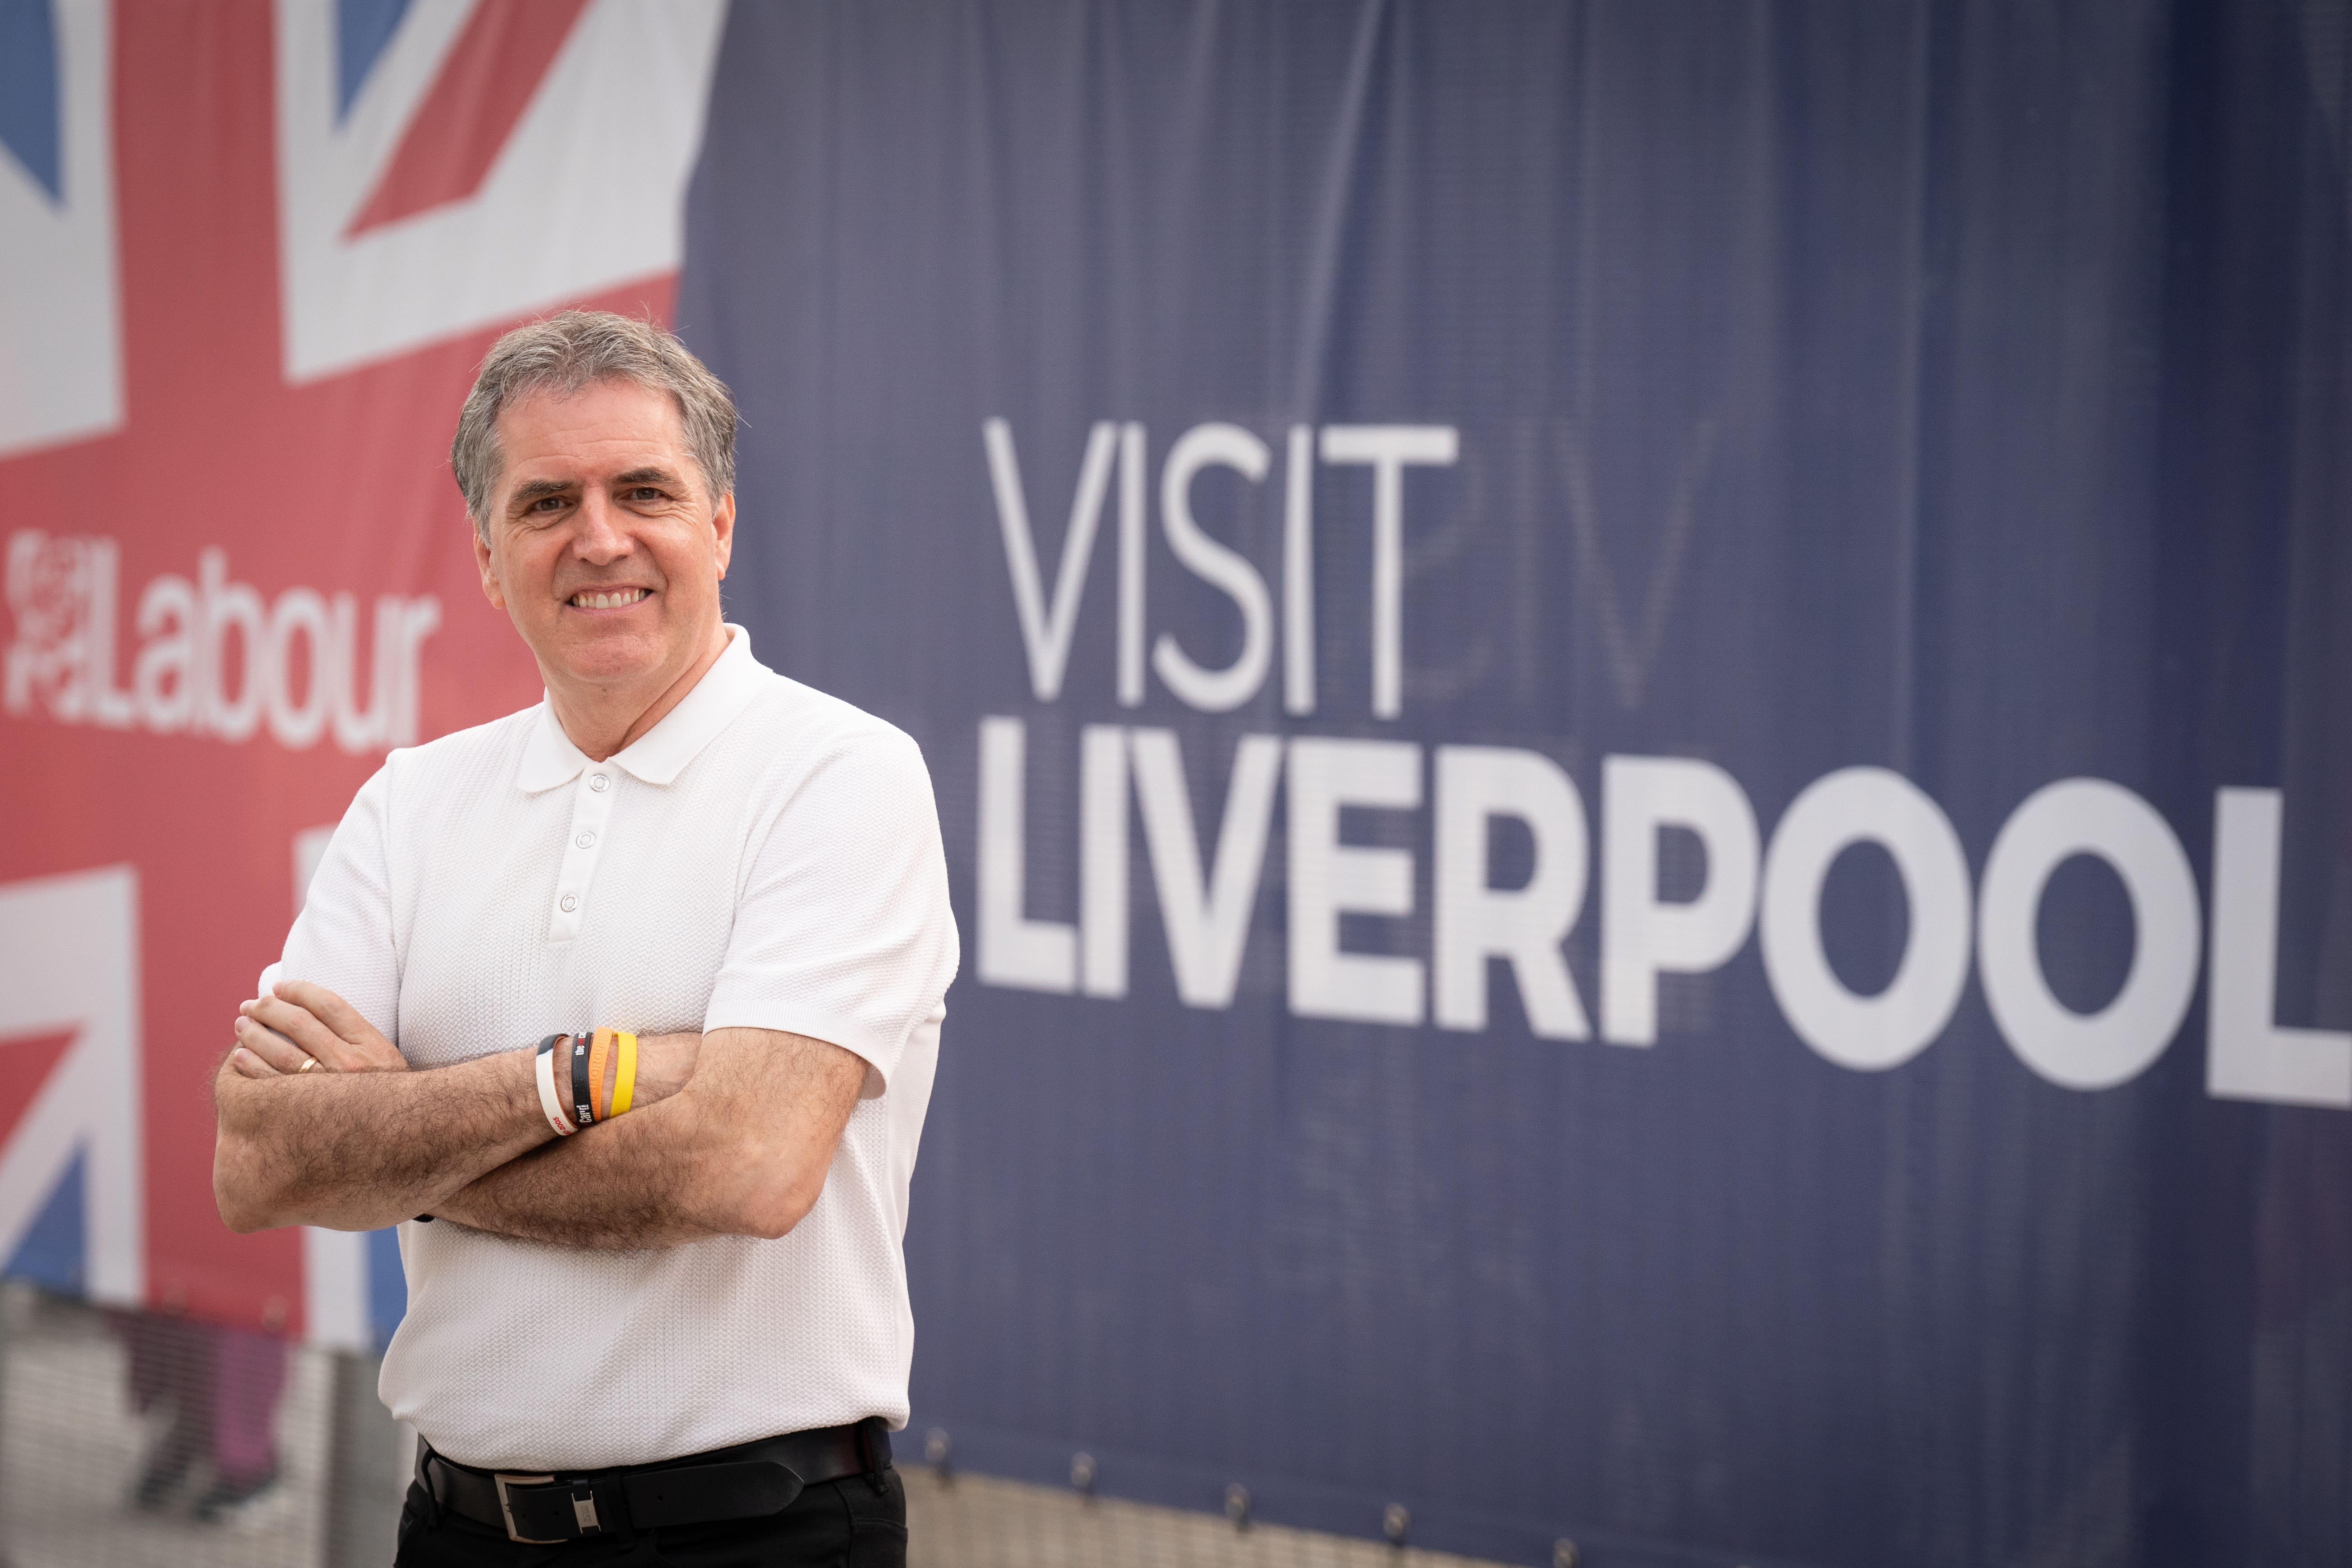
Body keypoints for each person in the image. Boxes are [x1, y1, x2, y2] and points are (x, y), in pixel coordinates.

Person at [210, 311, 957, 1565]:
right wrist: (586, 1076)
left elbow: (747, 1169)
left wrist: (401, 1137)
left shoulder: (843, 779)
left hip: (758, 1536)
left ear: (719, 522)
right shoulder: (413, 804)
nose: (599, 538)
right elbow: (258, 1163)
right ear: (489, 558)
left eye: (644, 492)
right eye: (546, 502)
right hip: (457, 1527)